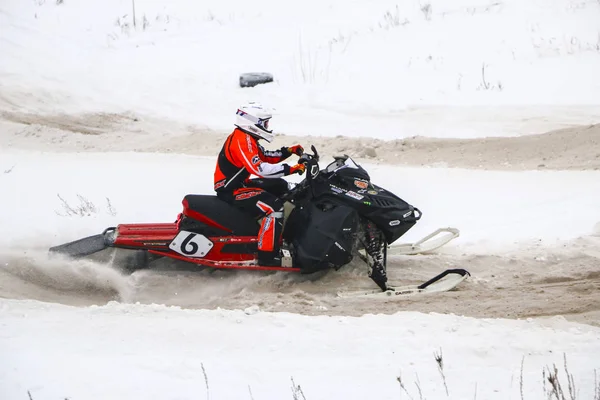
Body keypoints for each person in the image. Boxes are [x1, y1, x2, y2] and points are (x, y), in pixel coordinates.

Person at [214, 102, 306, 266]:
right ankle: (267, 256)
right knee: (274, 207)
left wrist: (288, 151)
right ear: (252, 123)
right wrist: (291, 169)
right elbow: (260, 168)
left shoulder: (248, 138)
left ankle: (280, 233)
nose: (267, 126)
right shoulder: (241, 140)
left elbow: (265, 156)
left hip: (241, 183)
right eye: (265, 123)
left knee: (281, 186)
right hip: (231, 190)